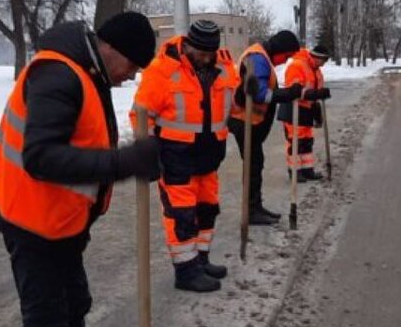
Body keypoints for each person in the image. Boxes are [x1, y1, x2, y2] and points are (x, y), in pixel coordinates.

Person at [0, 12, 161, 327]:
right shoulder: (59, 74)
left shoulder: (86, 71)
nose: (131, 77)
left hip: (61, 222)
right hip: (30, 220)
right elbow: (41, 157)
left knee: (73, 309)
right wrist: (124, 163)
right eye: (133, 66)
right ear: (113, 50)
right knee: (44, 324)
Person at [132, 20, 240, 293]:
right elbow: (140, 115)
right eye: (200, 53)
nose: (205, 59)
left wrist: (248, 92)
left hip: (210, 156)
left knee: (207, 209)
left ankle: (201, 260)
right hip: (175, 157)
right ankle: (186, 271)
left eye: (210, 54)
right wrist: (148, 152)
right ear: (188, 45)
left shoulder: (224, 68)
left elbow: (235, 104)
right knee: (182, 214)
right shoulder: (163, 70)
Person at [226, 30, 303, 225]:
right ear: (280, 50)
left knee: (256, 162)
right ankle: (251, 211)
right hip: (244, 121)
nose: (285, 61)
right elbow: (258, 94)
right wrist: (284, 94)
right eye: (286, 57)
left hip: (250, 121)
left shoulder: (261, 57)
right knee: (253, 164)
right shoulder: (258, 58)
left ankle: (255, 206)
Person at [278, 42, 332, 182]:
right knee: (296, 141)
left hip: (307, 110)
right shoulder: (297, 65)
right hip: (293, 109)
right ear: (317, 57)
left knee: (307, 141)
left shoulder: (316, 70)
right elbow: (294, 91)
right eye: (324, 60)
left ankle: (307, 170)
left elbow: (315, 93)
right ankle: (295, 172)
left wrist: (318, 107)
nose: (324, 64)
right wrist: (315, 94)